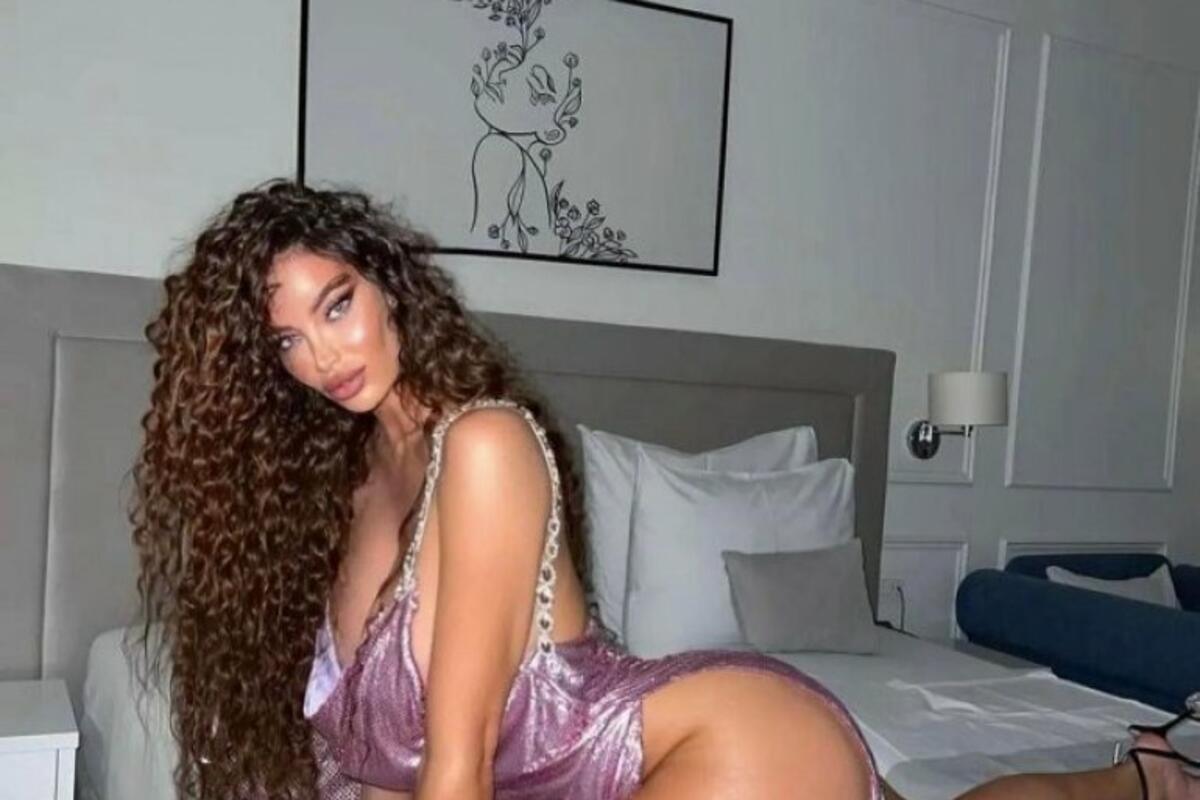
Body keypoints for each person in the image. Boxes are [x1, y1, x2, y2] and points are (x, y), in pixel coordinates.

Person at [130, 179, 1198, 800]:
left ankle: (1133, 780)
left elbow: (455, 765)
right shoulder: (348, 481)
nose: (323, 353)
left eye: (337, 303)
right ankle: (1140, 779)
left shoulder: (484, 446)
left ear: (390, 288)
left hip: (712, 748)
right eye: (287, 338)